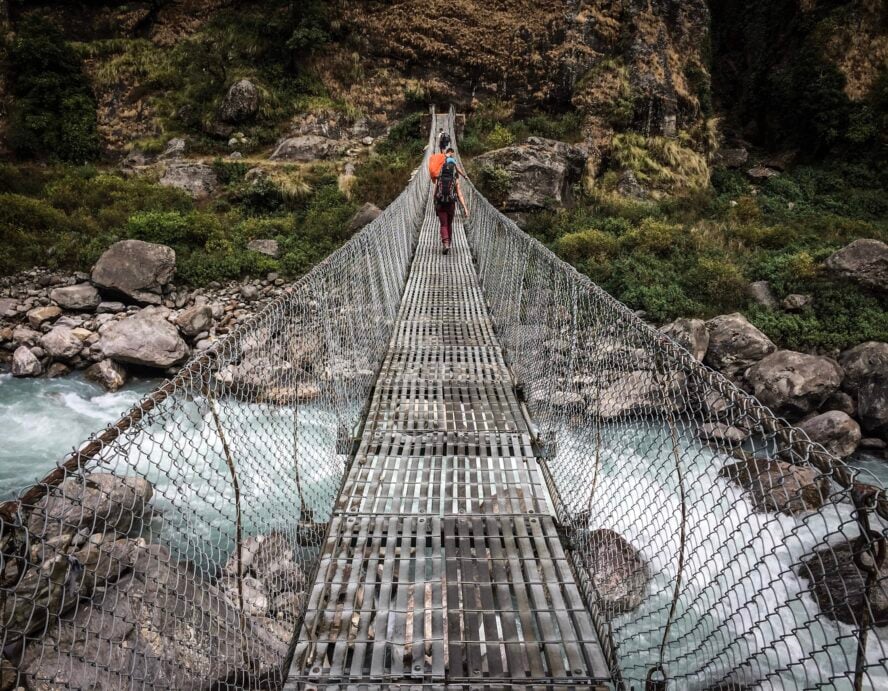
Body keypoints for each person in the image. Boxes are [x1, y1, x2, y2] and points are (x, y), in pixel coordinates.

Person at [434, 155, 469, 255]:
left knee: (443, 224)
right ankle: (449, 241)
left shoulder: (439, 179)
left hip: (440, 204)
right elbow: (460, 195)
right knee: (449, 224)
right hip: (451, 205)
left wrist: (435, 204)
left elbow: (434, 193)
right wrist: (465, 208)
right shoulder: (455, 180)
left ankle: (445, 243)